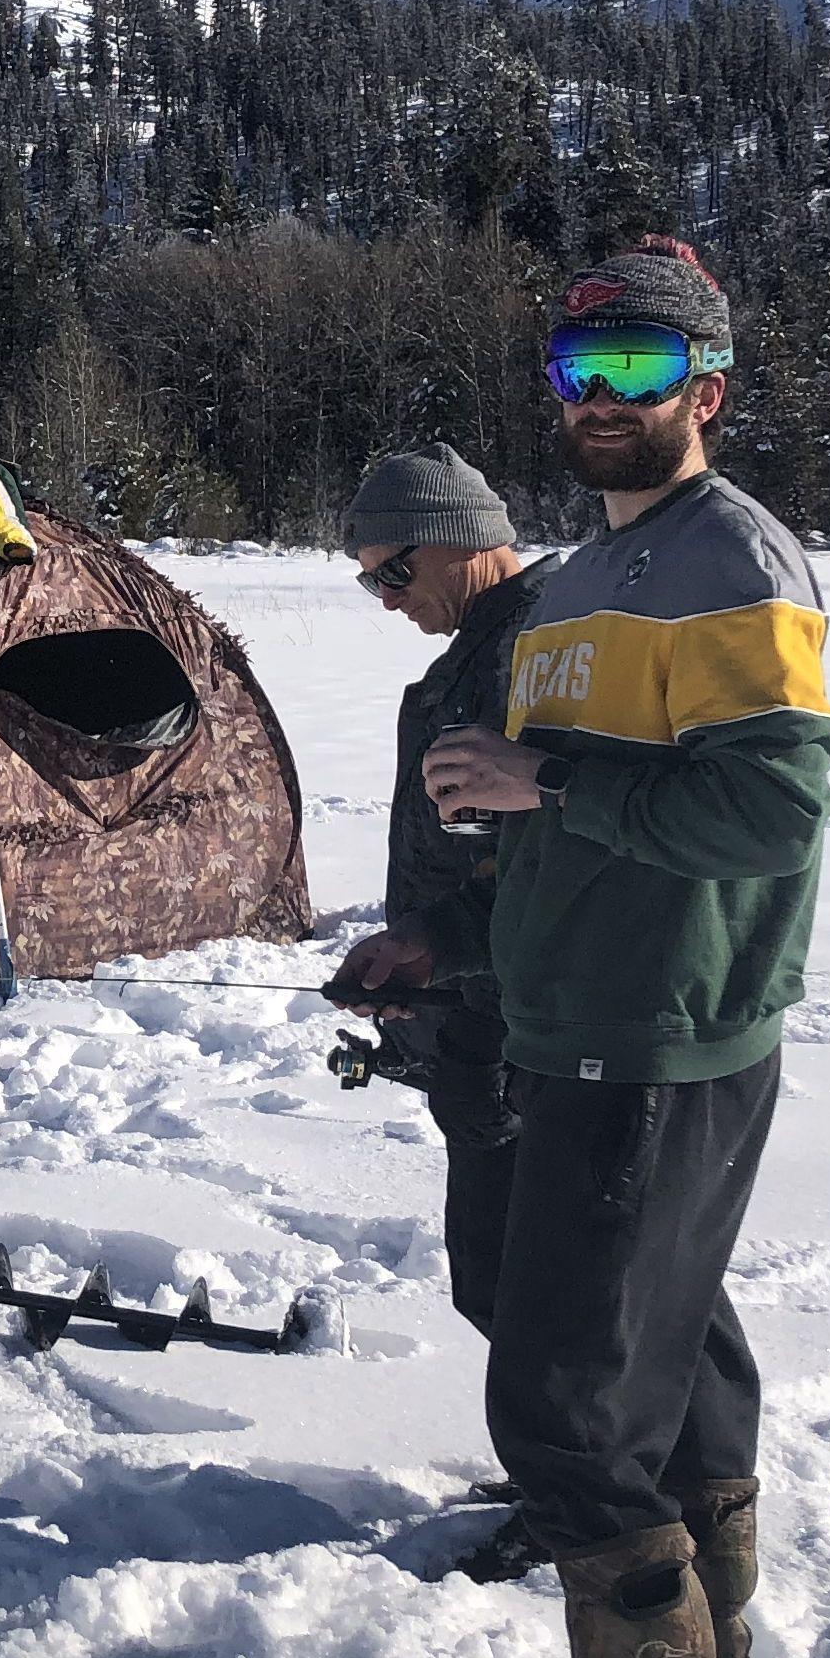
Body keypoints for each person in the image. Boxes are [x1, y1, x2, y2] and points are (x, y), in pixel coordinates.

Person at [420, 240, 830, 1658]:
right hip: (578, 1022)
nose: (600, 403)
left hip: (661, 1039)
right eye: (576, 373)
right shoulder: (582, 584)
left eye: (639, 374)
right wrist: (505, 808)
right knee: (678, 1388)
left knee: (565, 1416)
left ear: (707, 391)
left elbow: (768, 805)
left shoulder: (731, 558)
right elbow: (591, 780)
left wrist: (550, 793)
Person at [330, 446, 546, 1338]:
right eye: (370, 583)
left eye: (395, 572)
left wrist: (449, 957)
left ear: (459, 539)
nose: (387, 598)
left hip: (518, 1021)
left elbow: (542, 860)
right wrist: (418, 948)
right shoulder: (483, 649)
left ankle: (612, 1474)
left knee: (530, 1280)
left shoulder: (535, 650)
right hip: (468, 995)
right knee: (503, 1276)